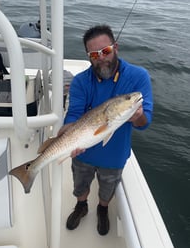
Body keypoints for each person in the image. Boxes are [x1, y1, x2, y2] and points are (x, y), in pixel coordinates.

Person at [63, 24, 153, 236]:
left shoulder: (138, 77)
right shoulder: (80, 81)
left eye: (105, 51)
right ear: (88, 56)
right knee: (80, 184)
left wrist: (138, 116)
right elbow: (74, 114)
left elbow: (145, 122)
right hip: (83, 151)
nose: (101, 58)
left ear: (115, 47)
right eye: (94, 54)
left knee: (107, 190)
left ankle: (102, 209)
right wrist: (66, 137)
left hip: (114, 156)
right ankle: (81, 206)